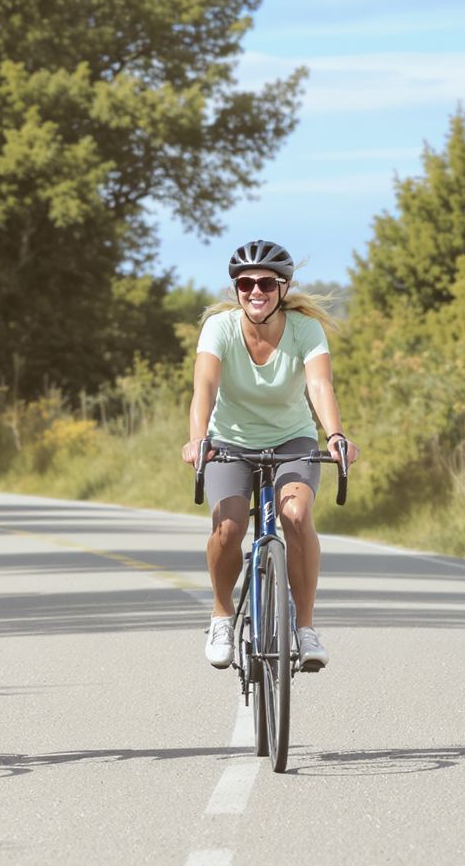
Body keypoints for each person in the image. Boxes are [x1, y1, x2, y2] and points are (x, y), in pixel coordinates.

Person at [181, 240, 360, 671]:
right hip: (230, 440)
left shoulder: (304, 329)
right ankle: (222, 616)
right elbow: (204, 387)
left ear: (284, 287)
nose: (254, 291)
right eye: (245, 284)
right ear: (235, 289)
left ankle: (306, 628)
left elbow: (319, 386)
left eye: (265, 283)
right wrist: (198, 439)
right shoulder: (220, 328)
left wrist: (335, 435)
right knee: (229, 525)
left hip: (291, 438)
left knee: (296, 516)